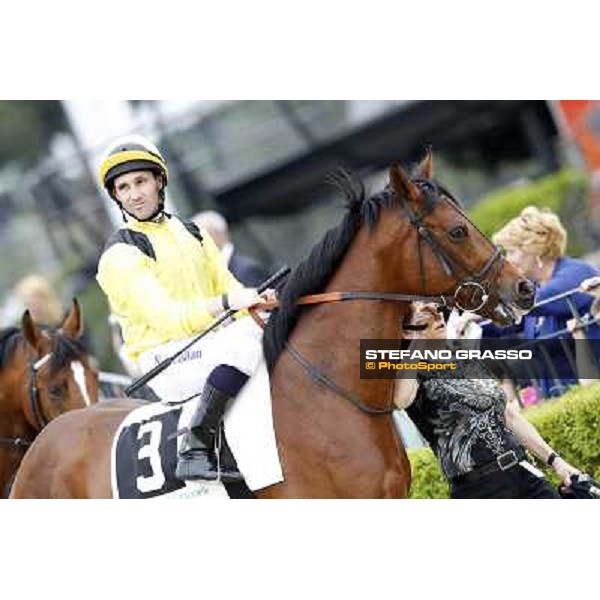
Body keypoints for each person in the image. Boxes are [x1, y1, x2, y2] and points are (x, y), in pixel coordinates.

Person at [96, 135, 273, 483]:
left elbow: (229, 287)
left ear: (159, 181)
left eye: (141, 181)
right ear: (115, 195)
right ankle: (195, 446)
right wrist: (227, 304)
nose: (134, 194)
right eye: (124, 187)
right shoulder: (119, 254)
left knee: (271, 327)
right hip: (162, 359)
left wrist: (258, 303)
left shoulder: (192, 231)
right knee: (245, 343)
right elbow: (168, 318)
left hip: (207, 344)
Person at [394, 302, 581, 498]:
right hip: (479, 488)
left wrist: (555, 461)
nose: (438, 318)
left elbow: (508, 415)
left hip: (523, 470)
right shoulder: (409, 373)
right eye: (426, 318)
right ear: (407, 332)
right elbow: (401, 401)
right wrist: (415, 344)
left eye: (438, 312)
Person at [486, 206, 600, 396]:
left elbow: (545, 298)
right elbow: (504, 325)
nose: (508, 261)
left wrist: (488, 304)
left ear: (533, 250)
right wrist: (470, 323)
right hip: (557, 399)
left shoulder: (576, 272)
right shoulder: (535, 290)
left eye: (511, 252)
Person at [192, 210, 268, 287]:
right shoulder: (212, 273)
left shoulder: (246, 270)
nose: (198, 242)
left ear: (219, 233)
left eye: (200, 236)